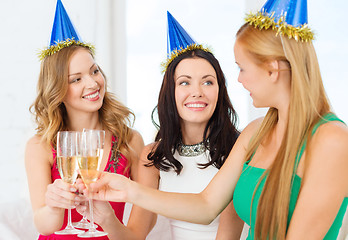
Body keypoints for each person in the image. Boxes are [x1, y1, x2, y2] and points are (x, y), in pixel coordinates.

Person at [84, 0, 348, 239]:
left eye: (242, 68)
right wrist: (127, 189)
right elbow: (207, 206)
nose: (239, 79)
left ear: (273, 69)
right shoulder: (257, 131)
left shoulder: (333, 141)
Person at [76, 11, 244, 240]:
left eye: (208, 81)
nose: (197, 92)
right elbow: (134, 236)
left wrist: (131, 191)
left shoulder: (239, 148)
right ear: (170, 93)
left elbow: (227, 234)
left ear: (220, 91)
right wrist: (106, 218)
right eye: (184, 82)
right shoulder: (153, 157)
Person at [24, 0, 144, 239]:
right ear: (57, 90)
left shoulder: (130, 141)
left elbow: (136, 235)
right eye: (76, 79)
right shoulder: (40, 146)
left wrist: (108, 220)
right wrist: (55, 205)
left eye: (94, 71)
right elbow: (44, 224)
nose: (92, 83)